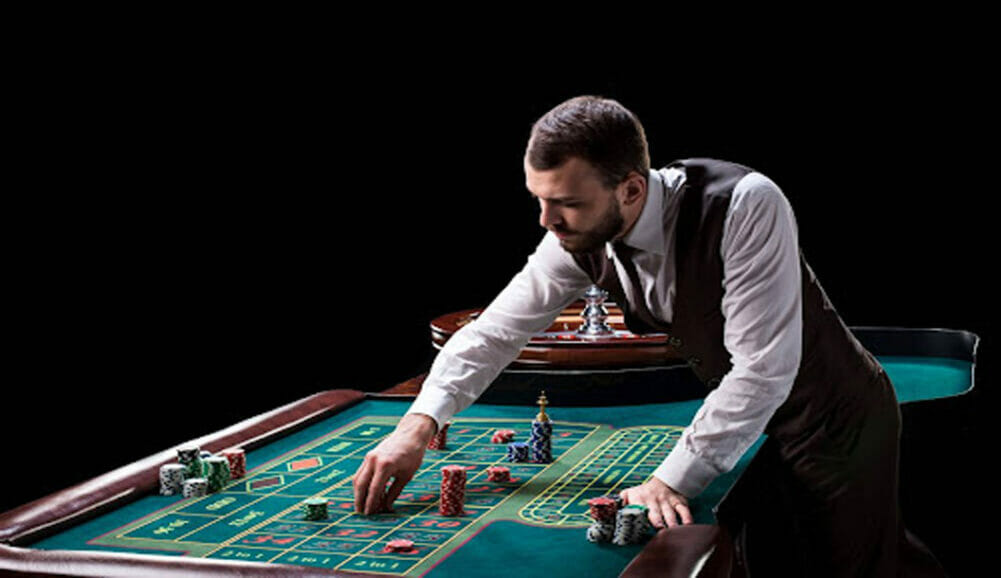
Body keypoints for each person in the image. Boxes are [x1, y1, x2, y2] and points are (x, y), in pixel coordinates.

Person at [352, 95, 946, 576]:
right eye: (539, 200)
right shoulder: (577, 240)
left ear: (631, 189)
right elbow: (492, 335)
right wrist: (417, 426)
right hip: (757, 425)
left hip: (836, 420)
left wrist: (667, 479)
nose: (546, 222)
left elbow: (763, 369)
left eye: (565, 204)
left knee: (855, 567)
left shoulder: (743, 204)